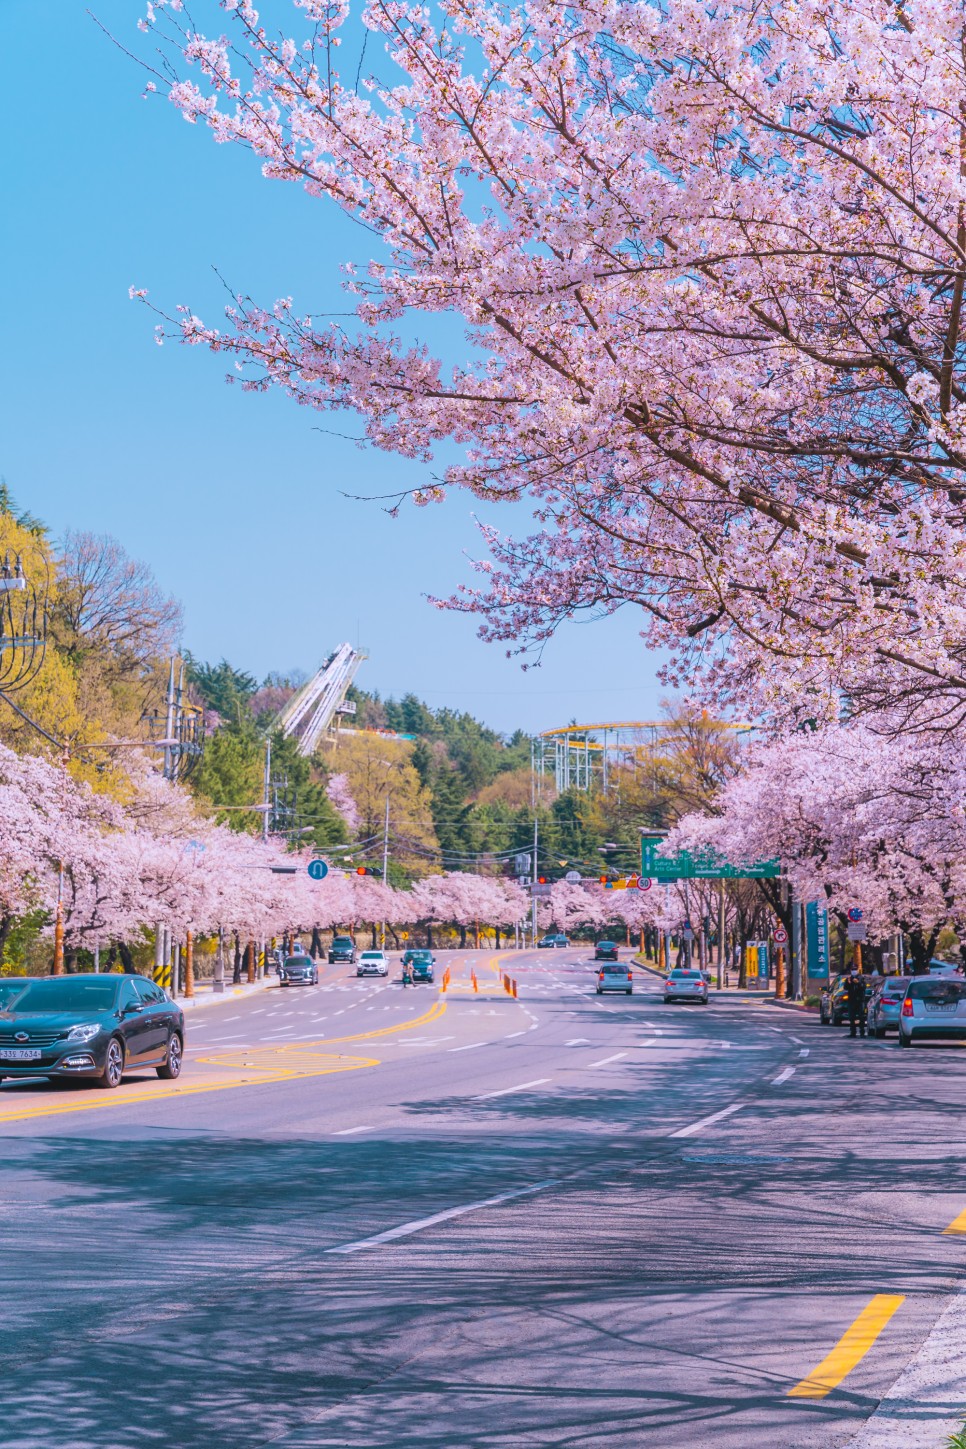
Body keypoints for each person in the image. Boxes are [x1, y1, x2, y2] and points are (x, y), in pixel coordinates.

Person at [845, 967, 867, 1038]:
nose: (854, 971)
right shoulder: (849, 978)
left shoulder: (861, 978)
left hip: (860, 1000)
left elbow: (864, 987)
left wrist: (858, 983)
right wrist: (848, 983)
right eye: (852, 970)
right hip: (852, 1000)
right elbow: (846, 988)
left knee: (861, 1017)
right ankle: (853, 1032)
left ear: (857, 970)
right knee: (852, 1017)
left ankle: (862, 1033)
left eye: (855, 970)